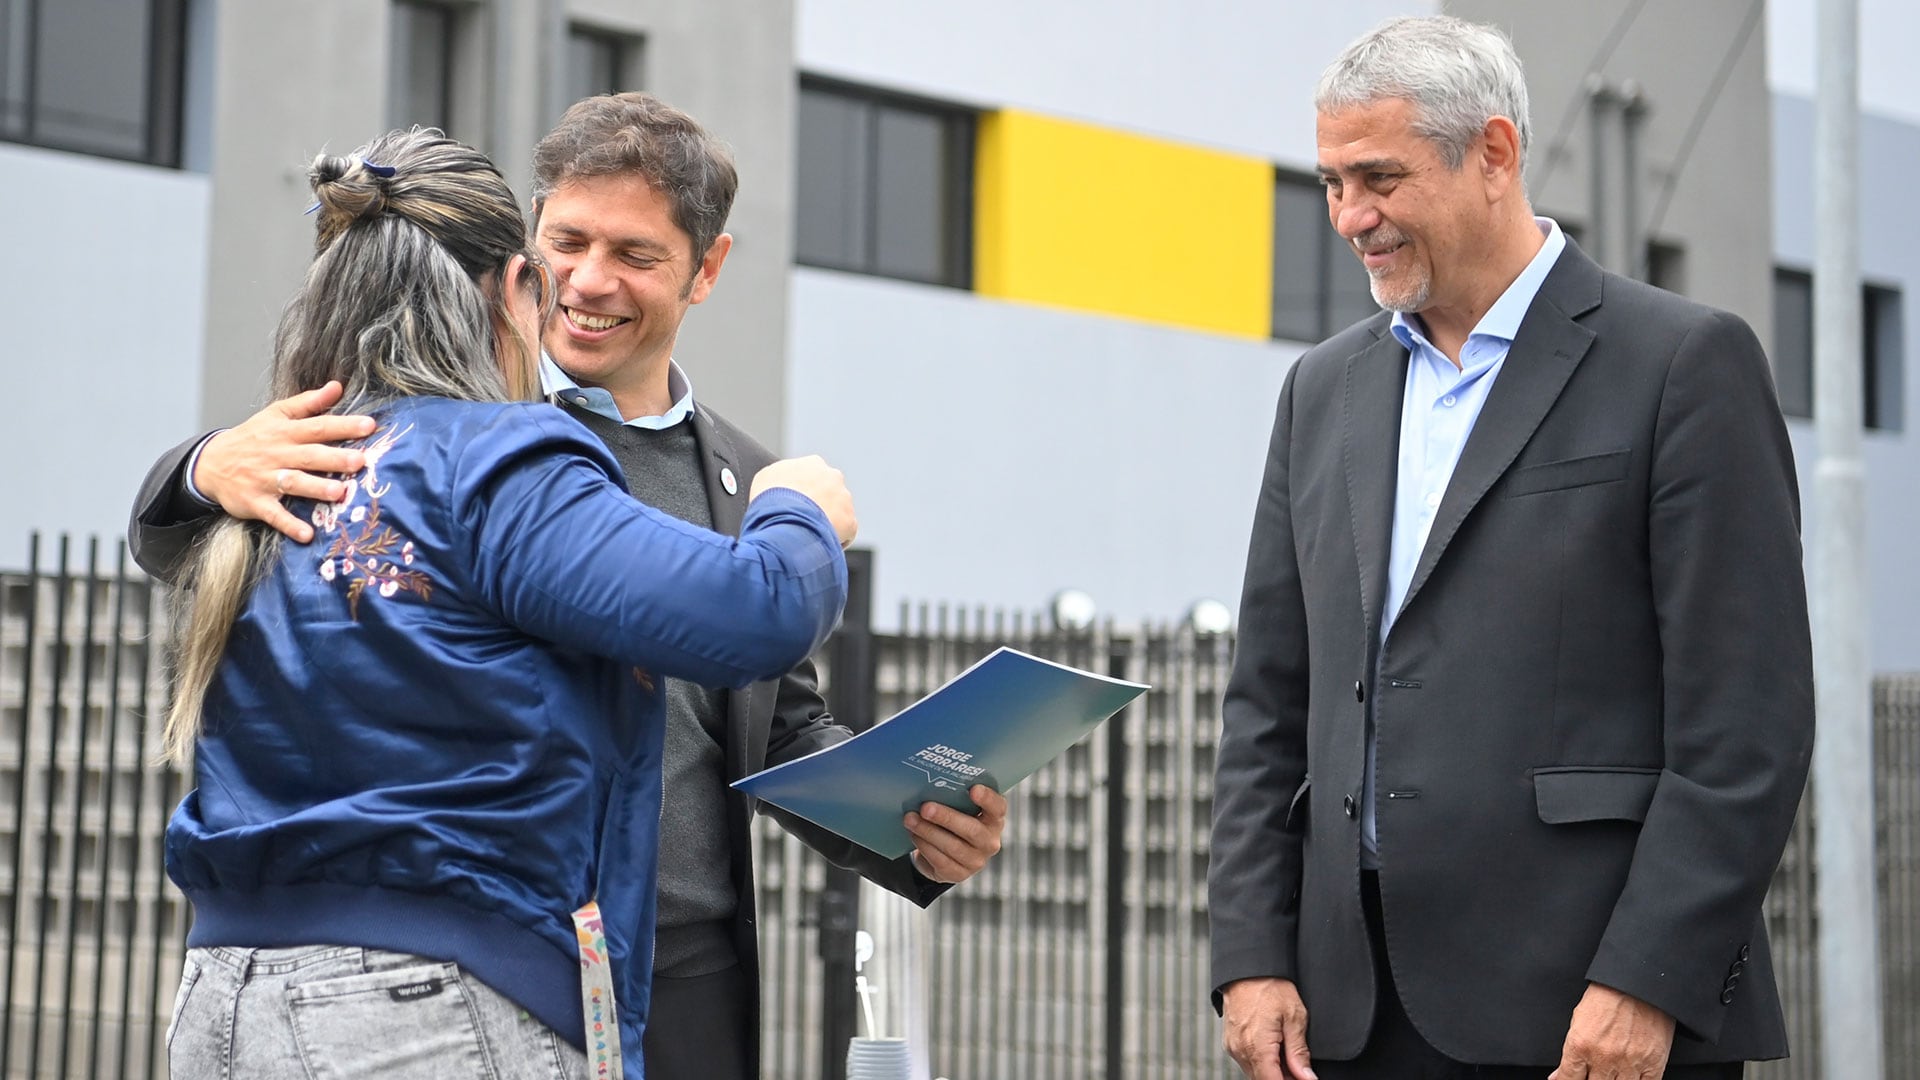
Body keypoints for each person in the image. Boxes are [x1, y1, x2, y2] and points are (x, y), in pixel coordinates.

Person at [130, 93, 1006, 1079]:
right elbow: (755, 613)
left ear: (705, 270)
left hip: (665, 972)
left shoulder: (729, 475)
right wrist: (206, 465)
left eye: (635, 254)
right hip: (498, 959)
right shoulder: (387, 442)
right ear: (522, 267)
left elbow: (780, 723)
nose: (590, 282)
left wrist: (909, 829)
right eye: (568, 244)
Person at [1207, 16, 1813, 1080]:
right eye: (1333, 183)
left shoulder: (1683, 364)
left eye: (1379, 178)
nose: (1351, 217)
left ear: (1494, 153)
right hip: (1347, 1021)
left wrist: (1648, 979)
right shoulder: (1320, 392)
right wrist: (1251, 955)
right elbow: (1269, 701)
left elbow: (1745, 728)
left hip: (1592, 1020)